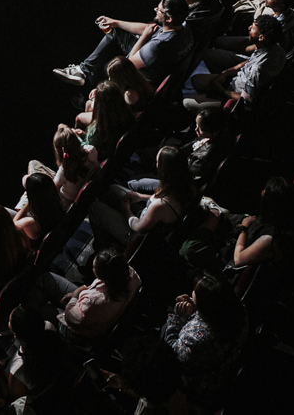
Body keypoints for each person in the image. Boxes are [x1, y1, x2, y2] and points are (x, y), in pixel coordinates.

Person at [52, 0, 192, 88]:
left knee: (108, 67)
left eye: (159, 10)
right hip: (157, 63)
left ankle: (87, 80)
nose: (155, 9)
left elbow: (128, 63)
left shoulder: (159, 45)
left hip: (144, 77)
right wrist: (115, 22)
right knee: (116, 32)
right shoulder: (182, 28)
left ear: (169, 19)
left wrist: (143, 38)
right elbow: (149, 28)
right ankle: (83, 70)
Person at [162, 273, 247, 411]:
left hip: (205, 384)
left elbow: (172, 354)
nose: (192, 292)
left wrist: (178, 318)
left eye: (195, 291)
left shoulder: (195, 337)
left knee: (164, 331)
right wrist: (194, 305)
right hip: (228, 366)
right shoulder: (239, 310)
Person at [89, 145, 197, 246]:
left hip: (139, 238)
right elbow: (160, 201)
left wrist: (126, 211)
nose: (156, 164)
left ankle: (104, 244)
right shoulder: (186, 185)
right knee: (113, 189)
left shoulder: (160, 205)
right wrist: (139, 196)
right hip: (151, 217)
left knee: (95, 208)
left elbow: (137, 227)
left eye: (158, 161)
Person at [190, 14, 286, 109]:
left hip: (235, 94)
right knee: (197, 79)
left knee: (187, 102)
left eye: (252, 28)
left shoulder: (257, 70)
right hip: (238, 79)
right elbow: (249, 62)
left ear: (261, 37)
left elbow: (247, 100)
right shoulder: (275, 48)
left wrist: (222, 91)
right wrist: (226, 73)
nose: (249, 28)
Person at [57, 248, 141, 342]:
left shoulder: (92, 301)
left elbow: (70, 319)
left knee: (50, 309)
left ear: (102, 278)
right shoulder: (131, 274)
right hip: (108, 317)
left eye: (94, 267)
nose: (92, 269)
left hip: (82, 333)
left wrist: (75, 294)